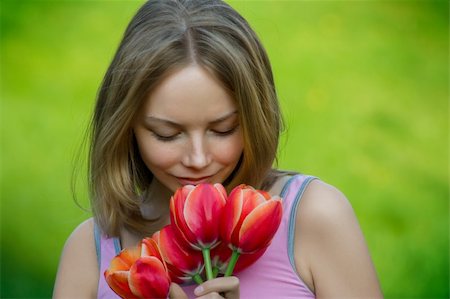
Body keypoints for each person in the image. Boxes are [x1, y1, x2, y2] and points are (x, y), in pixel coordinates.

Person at [53, 0, 383, 298]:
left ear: (255, 118)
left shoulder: (315, 218)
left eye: (223, 129)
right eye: (167, 134)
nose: (198, 159)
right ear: (127, 129)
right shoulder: (92, 253)